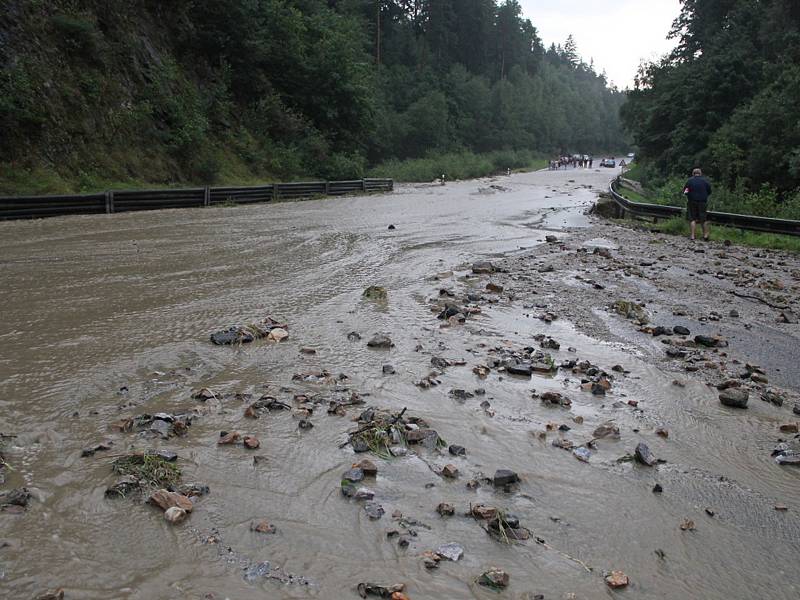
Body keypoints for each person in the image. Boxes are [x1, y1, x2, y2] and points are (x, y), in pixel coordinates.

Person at [683, 168, 712, 240]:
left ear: (693, 174)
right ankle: (705, 235)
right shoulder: (705, 181)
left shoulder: (689, 181)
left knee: (692, 218)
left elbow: (685, 192)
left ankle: (692, 236)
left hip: (692, 202)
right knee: (703, 219)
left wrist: (689, 195)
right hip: (702, 202)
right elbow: (709, 191)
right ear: (700, 174)